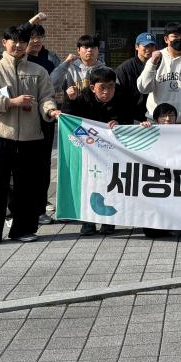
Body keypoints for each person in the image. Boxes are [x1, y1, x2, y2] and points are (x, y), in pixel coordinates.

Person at [0, 25, 61, 248]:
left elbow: (46, 97)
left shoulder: (38, 71)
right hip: (1, 136)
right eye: (14, 41)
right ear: (5, 43)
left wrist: (51, 111)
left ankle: (24, 229)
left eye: (23, 41)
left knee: (27, 186)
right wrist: (11, 102)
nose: (19, 45)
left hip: (31, 137)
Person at [64, 67, 137, 236]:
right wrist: (70, 101)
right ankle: (88, 222)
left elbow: (130, 116)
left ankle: (108, 221)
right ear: (92, 87)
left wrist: (118, 121)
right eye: (102, 87)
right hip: (89, 150)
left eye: (111, 87)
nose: (107, 91)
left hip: (112, 151)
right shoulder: (83, 96)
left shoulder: (123, 96)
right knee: (89, 183)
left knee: (110, 183)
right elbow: (68, 119)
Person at [21, 13, 61, 226]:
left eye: (39, 37)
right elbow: (18, 34)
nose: (36, 41)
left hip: (46, 118)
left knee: (43, 164)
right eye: (32, 37)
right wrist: (32, 21)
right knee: (23, 165)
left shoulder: (49, 60)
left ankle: (40, 205)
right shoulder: (20, 60)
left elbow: (55, 87)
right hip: (23, 120)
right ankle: (17, 209)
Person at [137, 22, 181, 123]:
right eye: (175, 36)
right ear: (166, 39)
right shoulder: (156, 59)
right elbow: (143, 88)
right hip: (156, 122)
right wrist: (152, 65)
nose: (179, 39)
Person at [115, 32, 158, 123]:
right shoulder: (125, 68)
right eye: (145, 46)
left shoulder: (160, 65)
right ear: (136, 47)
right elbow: (118, 95)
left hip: (155, 116)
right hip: (133, 118)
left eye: (152, 46)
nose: (149, 49)